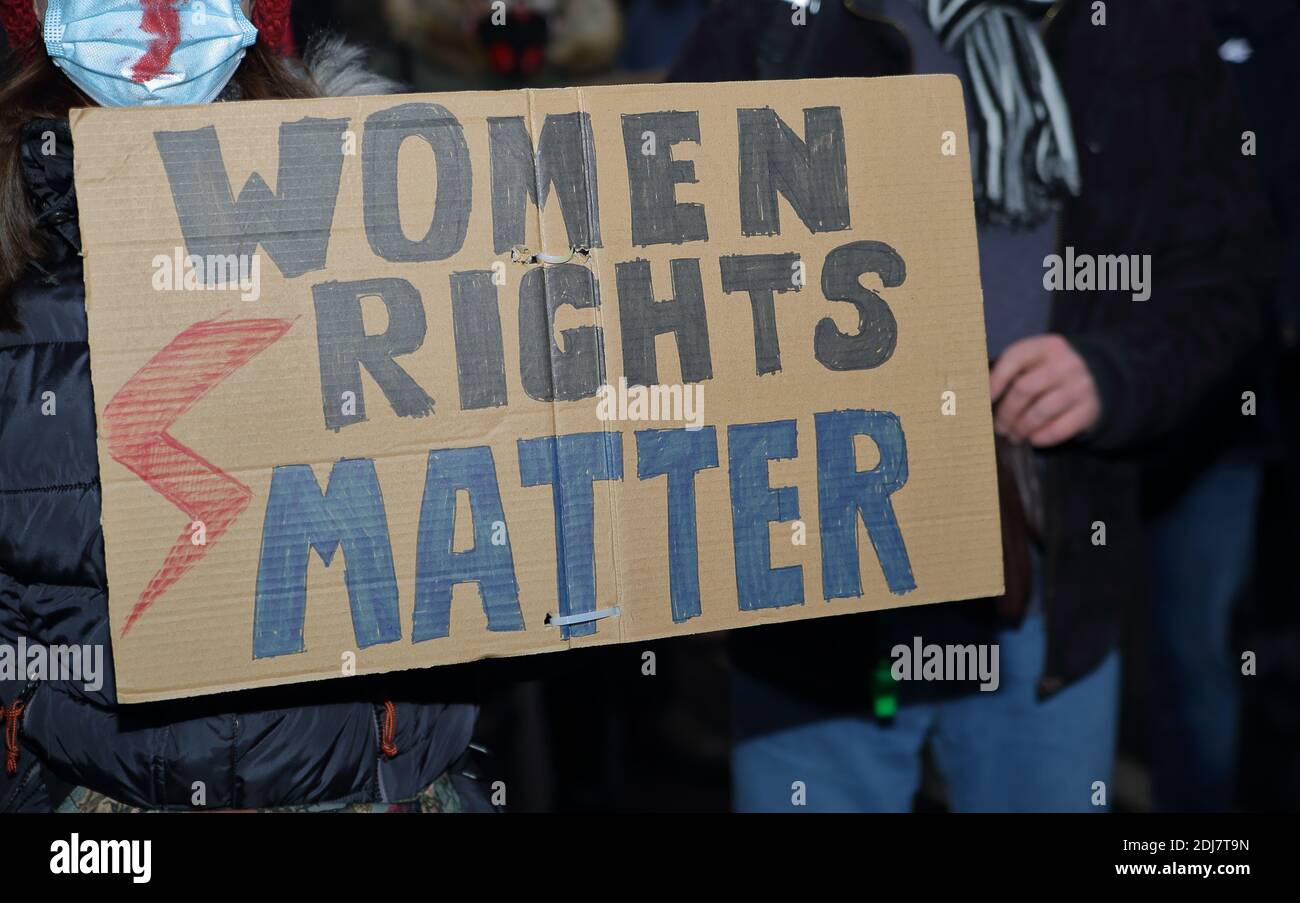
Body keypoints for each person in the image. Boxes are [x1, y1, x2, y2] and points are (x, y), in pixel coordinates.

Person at [669, 0, 1269, 812]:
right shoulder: (781, 17)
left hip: (1047, 562)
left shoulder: (1140, 24)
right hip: (816, 570)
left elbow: (1222, 276)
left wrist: (1114, 374)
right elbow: (664, 239)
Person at [0, 0, 487, 812]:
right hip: (99, 808)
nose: (153, 14)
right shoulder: (17, 243)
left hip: (375, 790)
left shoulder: (399, 215)